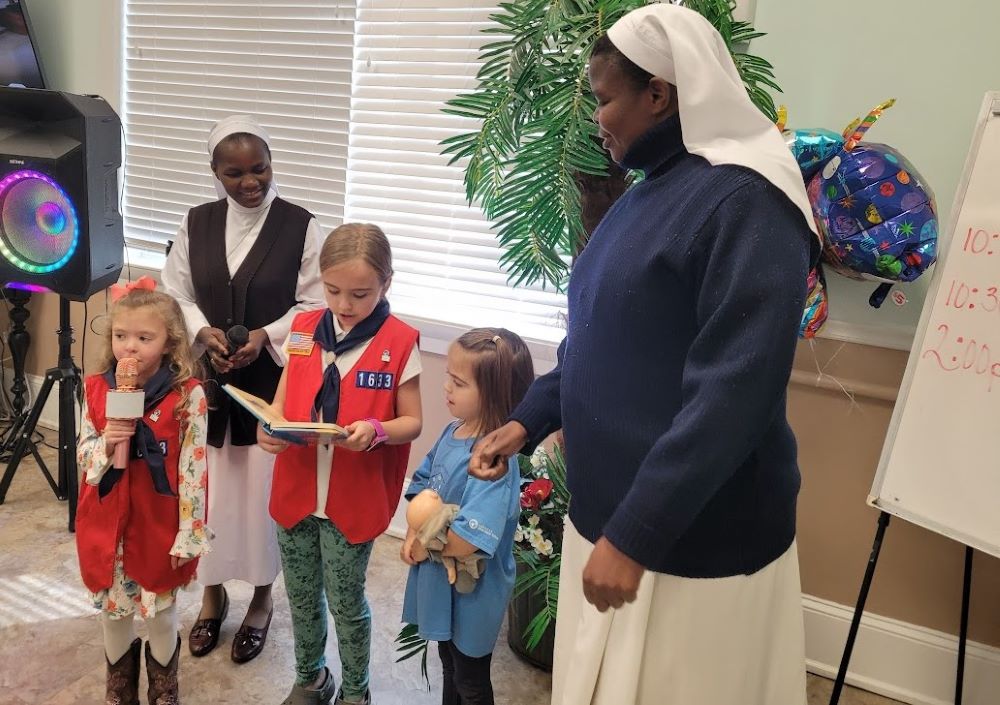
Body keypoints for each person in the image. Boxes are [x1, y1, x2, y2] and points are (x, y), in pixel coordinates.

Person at [468, 5, 822, 705]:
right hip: (614, 512)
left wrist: (636, 533)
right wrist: (530, 418)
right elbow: (604, 336)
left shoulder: (749, 203)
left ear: (658, 94)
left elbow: (736, 394)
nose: (596, 118)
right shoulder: (656, 185)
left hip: (692, 540)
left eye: (604, 98)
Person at [162, 114, 325, 663]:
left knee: (260, 498)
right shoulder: (197, 223)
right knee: (204, 495)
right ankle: (210, 599)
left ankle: (259, 600)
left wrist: (263, 336)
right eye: (235, 172)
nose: (250, 181)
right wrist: (200, 331)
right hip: (207, 387)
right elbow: (176, 291)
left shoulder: (301, 226)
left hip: (269, 387)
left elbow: (315, 303)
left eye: (259, 168)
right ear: (215, 172)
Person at [258, 223, 423, 705]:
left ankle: (356, 691)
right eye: (332, 291)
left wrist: (377, 430)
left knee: (347, 603)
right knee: (303, 597)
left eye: (359, 293)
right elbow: (282, 402)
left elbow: (412, 421)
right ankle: (310, 677)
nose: (344, 304)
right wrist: (267, 427)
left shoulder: (400, 340)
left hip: (352, 499)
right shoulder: (305, 329)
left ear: (385, 284)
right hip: (297, 492)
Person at [75, 279, 211, 705]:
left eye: (143, 338)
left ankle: (164, 691)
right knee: (114, 612)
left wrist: (190, 533)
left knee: (161, 612)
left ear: (169, 343)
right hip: (106, 523)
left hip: (159, 524)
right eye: (120, 336)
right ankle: (119, 692)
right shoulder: (97, 387)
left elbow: (194, 470)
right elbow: (84, 456)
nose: (129, 348)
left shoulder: (188, 396)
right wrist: (109, 441)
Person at [401, 328, 533, 705]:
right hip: (440, 583)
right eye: (448, 377)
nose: (446, 388)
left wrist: (423, 542)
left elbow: (470, 539)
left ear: (494, 394)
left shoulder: (495, 461)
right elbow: (423, 484)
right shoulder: (451, 431)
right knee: (447, 659)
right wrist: (412, 532)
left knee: (471, 678)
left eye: (458, 383)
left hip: (474, 593)